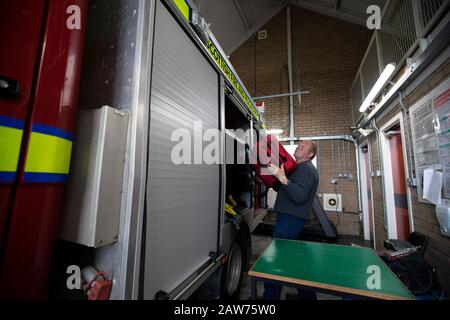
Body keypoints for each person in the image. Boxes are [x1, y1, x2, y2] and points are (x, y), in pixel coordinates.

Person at [263, 140, 319, 300]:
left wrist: (283, 179)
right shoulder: (298, 168)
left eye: (303, 147)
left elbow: (300, 196)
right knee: (295, 260)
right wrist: (274, 179)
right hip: (289, 217)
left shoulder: (307, 170)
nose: (298, 147)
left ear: (310, 154)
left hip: (290, 219)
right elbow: (286, 189)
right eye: (298, 145)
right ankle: (307, 296)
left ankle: (270, 298)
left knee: (275, 261)